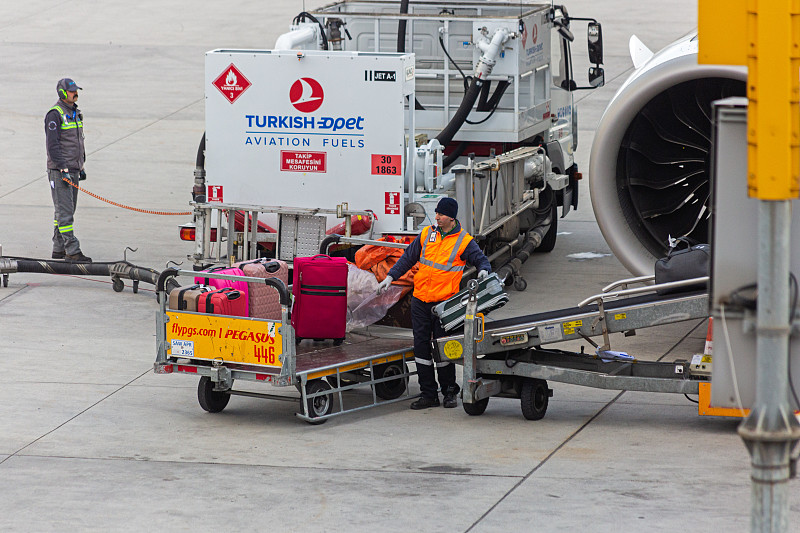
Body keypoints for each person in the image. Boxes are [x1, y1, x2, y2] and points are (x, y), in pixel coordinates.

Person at [377, 197, 490, 409]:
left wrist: (484, 270)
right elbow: (408, 257)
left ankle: (449, 392)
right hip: (420, 300)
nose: (436, 217)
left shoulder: (463, 241)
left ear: (451, 217)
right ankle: (428, 394)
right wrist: (390, 277)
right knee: (421, 349)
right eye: (436, 213)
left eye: (440, 214)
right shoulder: (428, 233)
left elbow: (481, 259)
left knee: (443, 350)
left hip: (444, 305)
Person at [45, 78, 91, 262]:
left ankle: (58, 248)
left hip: (73, 169)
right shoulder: (54, 115)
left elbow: (78, 142)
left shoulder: (75, 113)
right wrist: (62, 168)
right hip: (60, 170)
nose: (75, 93)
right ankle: (72, 250)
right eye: (72, 91)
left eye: (76, 90)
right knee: (65, 213)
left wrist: (80, 165)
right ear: (63, 93)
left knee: (66, 210)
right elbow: (53, 146)